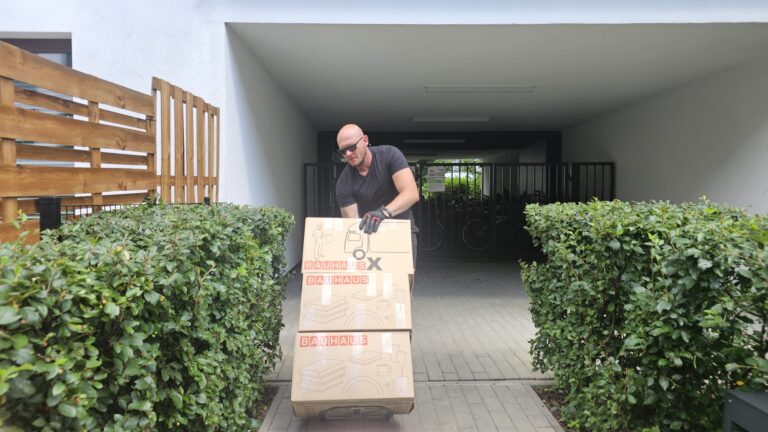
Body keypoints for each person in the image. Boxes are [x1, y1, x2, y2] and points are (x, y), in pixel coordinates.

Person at [335, 123, 420, 263]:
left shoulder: (390, 155)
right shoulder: (344, 183)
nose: (348, 154)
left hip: (401, 232)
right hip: (370, 235)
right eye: (343, 151)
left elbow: (411, 193)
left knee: (403, 283)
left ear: (365, 141)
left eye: (351, 147)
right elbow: (352, 223)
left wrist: (383, 213)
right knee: (374, 284)